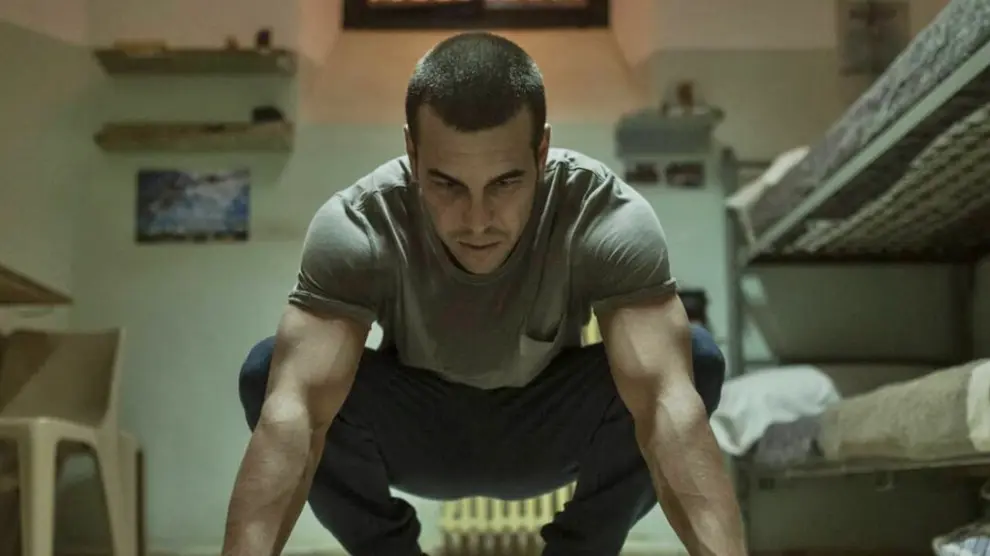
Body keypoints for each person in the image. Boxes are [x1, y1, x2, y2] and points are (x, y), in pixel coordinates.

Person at [222, 31, 746, 556]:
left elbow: (667, 408)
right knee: (271, 372)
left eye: (505, 182)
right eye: (447, 184)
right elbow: (295, 414)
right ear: (412, 151)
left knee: (693, 361)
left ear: (541, 152)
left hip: (549, 428)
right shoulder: (360, 224)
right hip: (419, 432)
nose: (476, 221)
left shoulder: (601, 213)